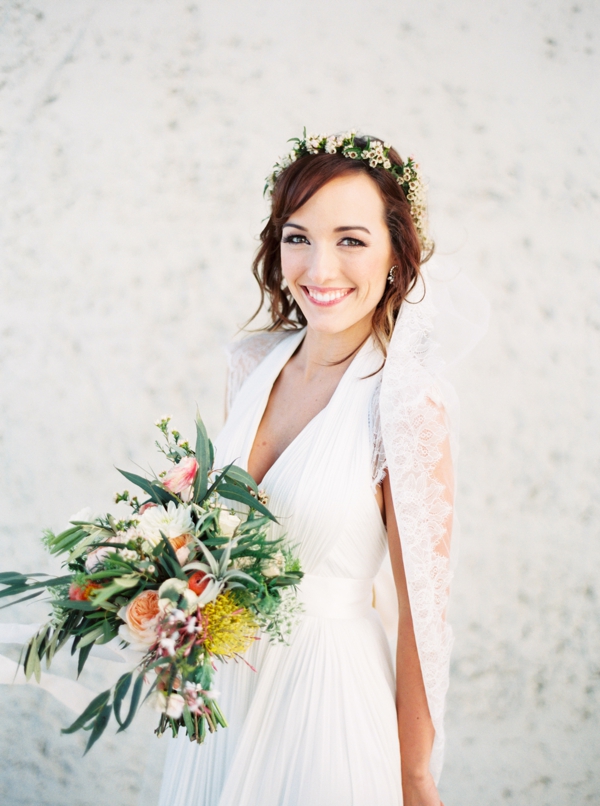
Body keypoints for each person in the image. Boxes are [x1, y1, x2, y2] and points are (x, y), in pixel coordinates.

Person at [157, 132, 487, 806]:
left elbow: (424, 610)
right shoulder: (249, 367)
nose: (319, 267)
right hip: (223, 697)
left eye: (351, 240)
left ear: (397, 254)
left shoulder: (405, 404)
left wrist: (416, 774)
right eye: (297, 236)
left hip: (327, 701)